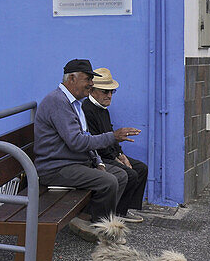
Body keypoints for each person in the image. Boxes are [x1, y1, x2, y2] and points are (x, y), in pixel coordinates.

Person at [33, 59, 141, 240]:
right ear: (72, 78)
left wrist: (98, 161)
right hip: (55, 168)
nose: (91, 83)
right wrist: (113, 136)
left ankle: (88, 219)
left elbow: (84, 136)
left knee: (121, 176)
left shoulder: (74, 103)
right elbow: (77, 141)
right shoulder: (57, 102)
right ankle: (103, 233)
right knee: (108, 181)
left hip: (73, 162)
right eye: (88, 79)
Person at [83, 67, 148, 223]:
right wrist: (116, 157)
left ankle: (124, 209)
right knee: (129, 174)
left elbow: (111, 134)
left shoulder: (102, 108)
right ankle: (117, 212)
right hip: (97, 158)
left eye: (112, 91)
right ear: (92, 90)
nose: (110, 95)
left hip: (109, 154)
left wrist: (121, 154)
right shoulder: (87, 109)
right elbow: (96, 142)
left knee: (141, 168)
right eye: (105, 91)